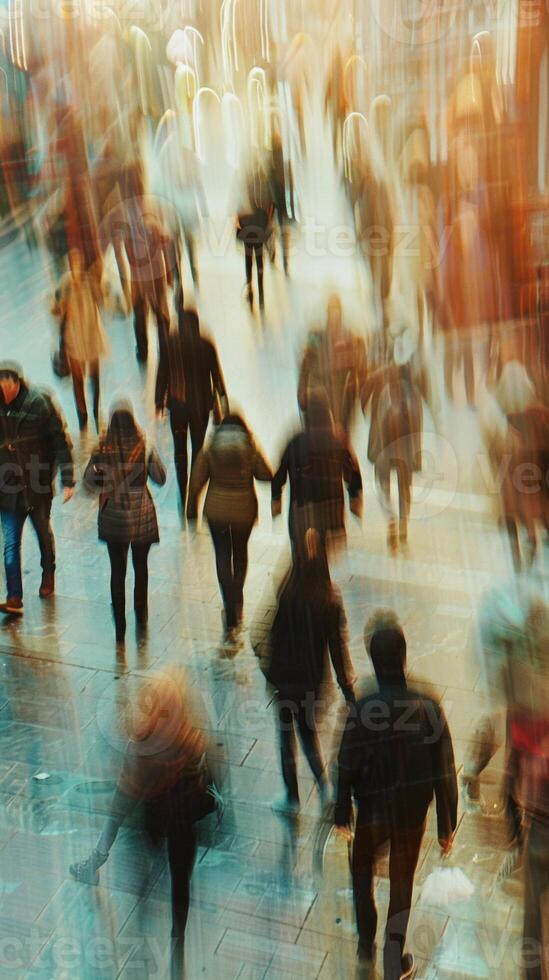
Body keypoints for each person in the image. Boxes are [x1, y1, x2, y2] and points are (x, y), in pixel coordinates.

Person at [69, 668, 221, 973]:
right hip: (182, 824)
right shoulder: (190, 739)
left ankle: (139, 934)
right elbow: (211, 779)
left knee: (144, 879)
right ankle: (177, 946)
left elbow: (126, 792)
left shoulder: (145, 739)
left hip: (152, 818)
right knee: (180, 884)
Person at [334, 610, 458, 980]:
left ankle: (363, 942)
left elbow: (346, 761)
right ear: (403, 656)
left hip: (371, 809)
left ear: (373, 658)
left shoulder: (363, 705)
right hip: (410, 815)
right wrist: (445, 823)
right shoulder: (427, 705)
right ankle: (393, 960)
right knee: (401, 883)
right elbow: (444, 767)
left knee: (361, 872)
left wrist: (342, 811)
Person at [254, 530, 356, 814]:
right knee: (308, 734)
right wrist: (348, 689)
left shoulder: (288, 592)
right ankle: (324, 788)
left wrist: (268, 669)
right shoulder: (329, 601)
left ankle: (292, 796)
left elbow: (272, 633)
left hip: (284, 678)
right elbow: (338, 650)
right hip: (311, 680)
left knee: (285, 736)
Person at [187, 413, 272, 649]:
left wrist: (191, 510)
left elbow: (196, 482)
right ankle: (238, 597)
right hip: (243, 511)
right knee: (241, 553)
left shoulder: (212, 446)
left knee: (223, 557)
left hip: (217, 512)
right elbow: (266, 475)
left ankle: (229, 605)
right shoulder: (249, 446)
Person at [84, 404, 166, 646]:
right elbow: (160, 478)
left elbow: (89, 483)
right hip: (142, 515)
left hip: (113, 515)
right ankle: (141, 616)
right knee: (141, 568)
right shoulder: (144, 446)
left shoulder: (101, 450)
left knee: (117, 571)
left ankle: (120, 626)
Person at [0, 361, 74, 613]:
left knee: (43, 533)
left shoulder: (38, 403)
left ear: (18, 382)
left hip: (36, 484)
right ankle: (14, 597)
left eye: (7, 385)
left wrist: (67, 478)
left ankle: (48, 574)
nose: (4, 391)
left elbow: (59, 441)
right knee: (11, 543)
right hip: (7, 488)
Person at [361, 323, 440, 553]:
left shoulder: (382, 373)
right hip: (407, 446)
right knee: (405, 485)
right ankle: (403, 521)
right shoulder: (415, 376)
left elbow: (363, 391)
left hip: (385, 445)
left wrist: (368, 415)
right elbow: (430, 399)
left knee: (383, 480)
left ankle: (391, 519)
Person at [272, 389, 363, 561]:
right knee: (322, 558)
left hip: (301, 510)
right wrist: (354, 497)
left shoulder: (296, 441)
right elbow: (353, 473)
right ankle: (321, 582)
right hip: (330, 511)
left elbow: (279, 474)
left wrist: (276, 498)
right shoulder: (337, 442)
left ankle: (306, 580)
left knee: (301, 559)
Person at [155, 306, 228, 513]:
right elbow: (217, 376)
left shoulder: (171, 344)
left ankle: (182, 491)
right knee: (197, 451)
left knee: (179, 452)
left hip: (178, 407)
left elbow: (162, 373)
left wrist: (158, 402)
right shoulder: (205, 345)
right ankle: (193, 499)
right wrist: (223, 402)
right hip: (201, 406)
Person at [480, 361, 549, 570]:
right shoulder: (537, 415)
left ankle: (518, 555)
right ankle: (531, 542)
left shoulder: (501, 419)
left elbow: (492, 449)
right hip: (531, 475)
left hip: (512, 476)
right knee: (530, 510)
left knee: (511, 512)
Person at [52, 248, 110, 431]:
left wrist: (101, 277)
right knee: (78, 381)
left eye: (77, 262)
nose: (75, 266)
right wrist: (62, 307)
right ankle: (83, 419)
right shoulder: (65, 284)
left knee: (95, 377)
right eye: (72, 262)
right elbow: (55, 310)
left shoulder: (89, 279)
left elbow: (102, 299)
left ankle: (95, 411)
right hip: (74, 338)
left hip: (91, 334)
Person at [298, 295, 367, 435]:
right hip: (319, 396)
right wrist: (302, 388)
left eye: (337, 313)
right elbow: (305, 363)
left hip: (340, 401)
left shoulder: (350, 338)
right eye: (332, 313)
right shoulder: (316, 335)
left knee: (338, 436)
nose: (334, 318)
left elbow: (359, 372)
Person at [236, 158, 274, 312]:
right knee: (259, 259)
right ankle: (261, 290)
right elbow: (271, 205)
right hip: (260, 224)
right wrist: (269, 223)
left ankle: (249, 286)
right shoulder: (265, 184)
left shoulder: (244, 185)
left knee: (248, 258)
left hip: (247, 225)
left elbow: (239, 208)